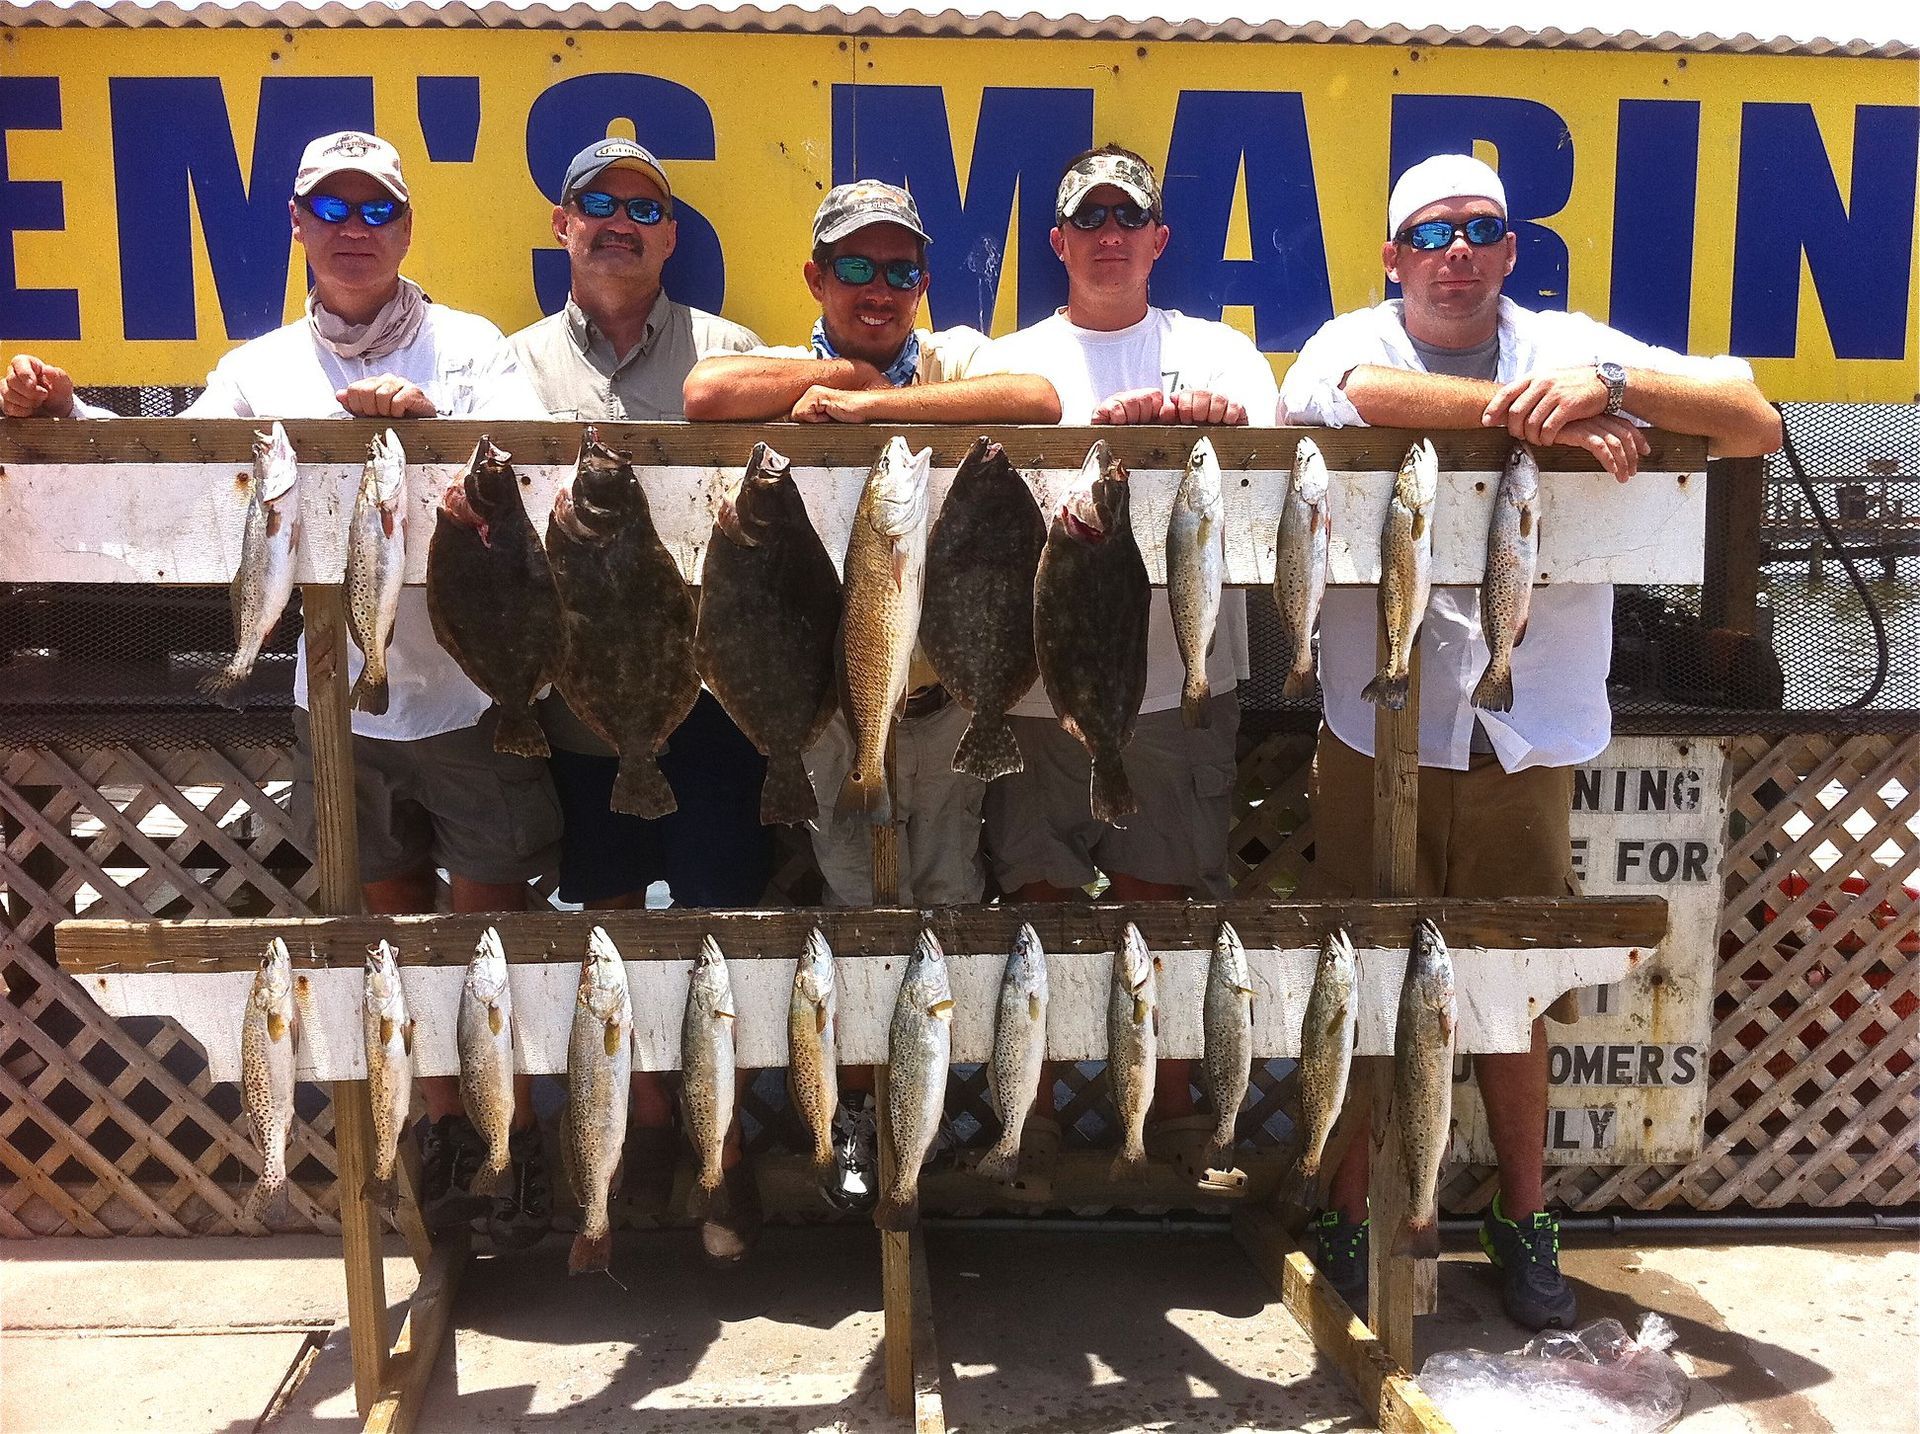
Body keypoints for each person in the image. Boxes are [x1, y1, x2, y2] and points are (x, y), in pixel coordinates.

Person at [3, 130, 562, 1251]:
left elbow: (534, 478)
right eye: (333, 210)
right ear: (300, 227)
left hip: (470, 692)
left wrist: (436, 431)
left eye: (376, 211)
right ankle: (445, 1133)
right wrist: (71, 422)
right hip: (336, 708)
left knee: (483, 938)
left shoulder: (476, 348)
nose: (355, 231)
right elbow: (193, 471)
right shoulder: (256, 368)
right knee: (381, 930)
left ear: (406, 230)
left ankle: (509, 1141)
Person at [1278, 152, 1781, 1329]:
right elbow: (1360, 398)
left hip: (1528, 738)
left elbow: (1751, 418)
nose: (1458, 252)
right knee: (1358, 982)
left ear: (1512, 251)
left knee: (1518, 991)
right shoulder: (1347, 338)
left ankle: (1520, 1211)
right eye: (1433, 234)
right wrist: (1554, 424)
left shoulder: (1574, 346)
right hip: (1376, 732)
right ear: (1395, 258)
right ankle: (1348, 1210)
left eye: (1482, 230)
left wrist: (1607, 383)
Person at [683, 180, 1059, 1212]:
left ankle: (923, 1133)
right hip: (830, 712)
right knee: (851, 921)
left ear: (925, 284)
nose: (880, 288)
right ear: (816, 276)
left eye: (900, 270)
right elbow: (704, 395)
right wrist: (829, 376)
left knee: (942, 915)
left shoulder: (957, 364)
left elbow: (1037, 403)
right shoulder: (780, 370)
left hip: (941, 711)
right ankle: (856, 1139)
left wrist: (875, 406)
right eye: (856, 267)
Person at [967, 145, 1279, 1181]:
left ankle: (1176, 1118)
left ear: (1159, 239)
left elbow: (1283, 504)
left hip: (1179, 681)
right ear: (1057, 242)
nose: (1108, 234)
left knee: (1167, 893)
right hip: (1038, 676)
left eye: (1126, 218)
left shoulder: (1225, 358)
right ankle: (1037, 1110)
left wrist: (1212, 437)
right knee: (1039, 892)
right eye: (1088, 219)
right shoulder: (1002, 365)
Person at [508, 137, 768, 1265]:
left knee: (720, 918)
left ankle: (728, 1155)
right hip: (580, 698)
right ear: (562, 226)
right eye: (594, 204)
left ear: (670, 235)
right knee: (606, 917)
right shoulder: (505, 369)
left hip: (709, 692)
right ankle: (642, 1140)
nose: (618, 221)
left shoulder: (733, 353)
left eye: (642, 208)